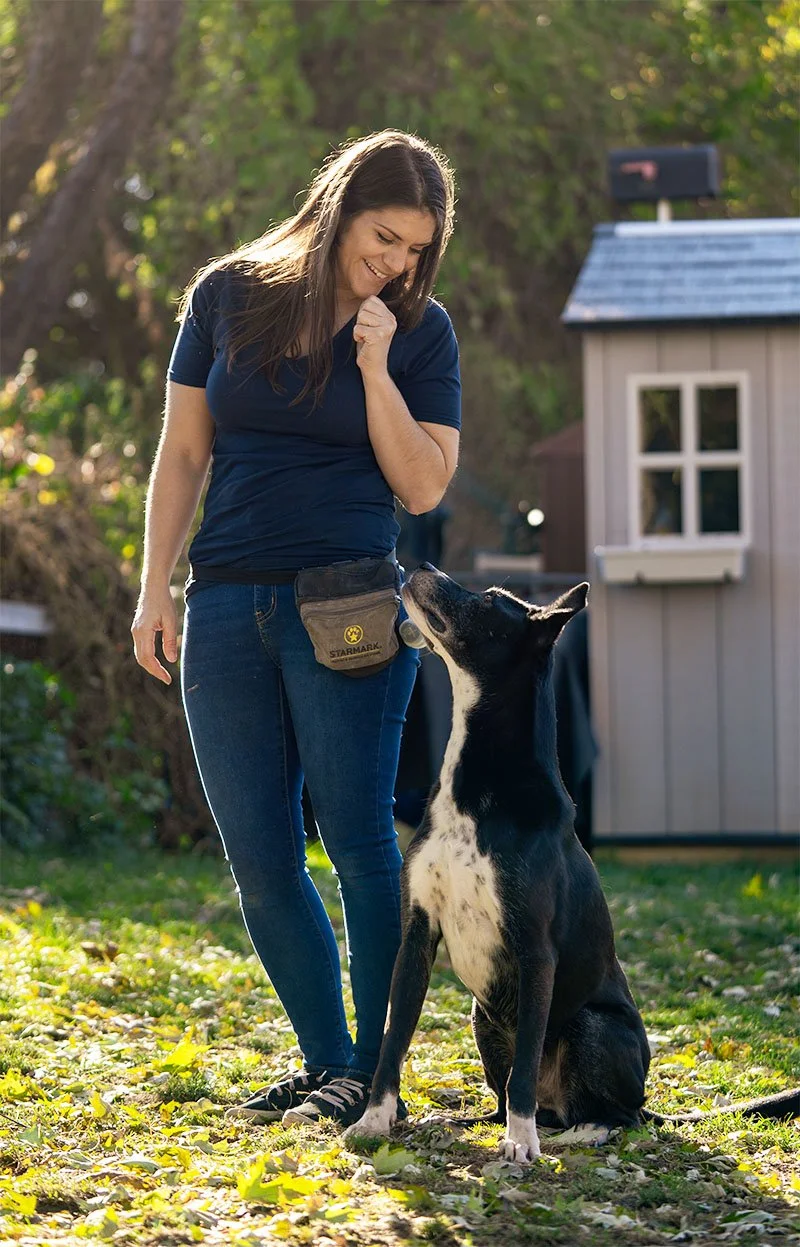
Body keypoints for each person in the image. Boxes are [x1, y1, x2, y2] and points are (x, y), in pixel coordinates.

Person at [131, 130, 461, 1128]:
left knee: (360, 838)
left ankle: (378, 1069)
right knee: (261, 855)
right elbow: (183, 454)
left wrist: (373, 366)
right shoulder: (226, 295)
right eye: (383, 236)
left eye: (414, 248)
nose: (396, 261)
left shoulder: (419, 331)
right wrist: (154, 589)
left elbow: (422, 482)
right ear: (338, 206)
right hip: (225, 598)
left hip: (351, 603)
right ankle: (335, 1068)